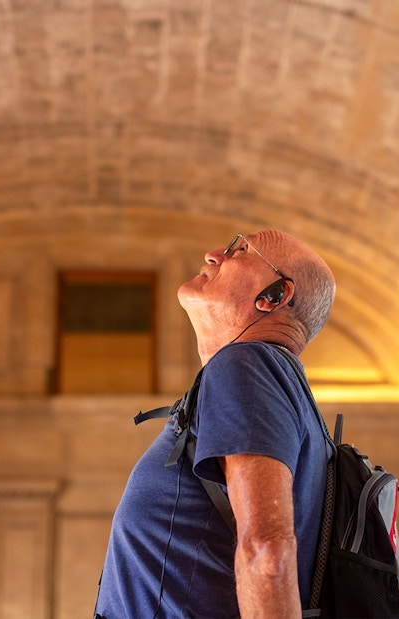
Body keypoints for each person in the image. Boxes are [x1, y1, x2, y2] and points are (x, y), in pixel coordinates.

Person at [94, 229, 336, 619]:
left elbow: (268, 551)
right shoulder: (271, 380)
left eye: (239, 250)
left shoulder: (247, 365)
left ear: (274, 295)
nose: (212, 255)